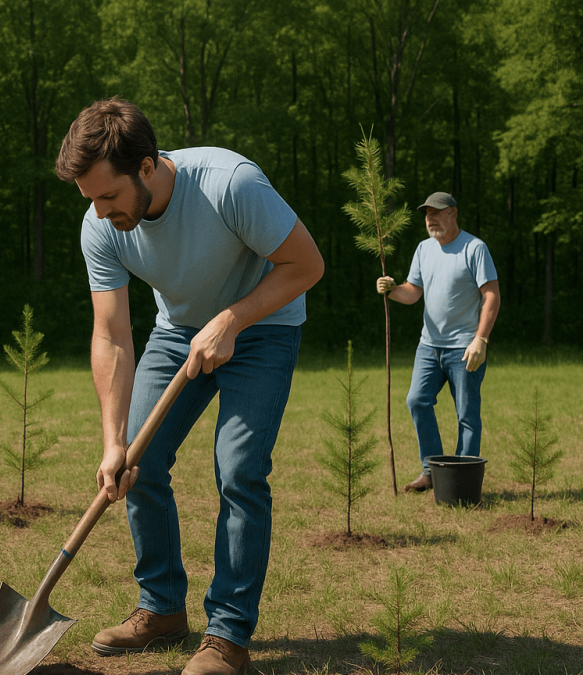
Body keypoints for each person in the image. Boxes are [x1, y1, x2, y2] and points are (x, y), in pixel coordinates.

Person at [56, 98, 324, 675]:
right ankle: (161, 608)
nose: (101, 213)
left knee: (239, 468)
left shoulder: (231, 184)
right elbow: (112, 337)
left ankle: (227, 635)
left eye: (109, 196)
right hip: (179, 333)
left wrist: (231, 321)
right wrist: (112, 440)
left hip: (263, 326)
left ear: (147, 168)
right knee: (139, 460)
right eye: (91, 200)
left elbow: (306, 265)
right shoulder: (100, 227)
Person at [376, 191, 500, 493]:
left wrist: (480, 340)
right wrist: (391, 289)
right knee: (416, 401)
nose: (430, 219)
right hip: (429, 347)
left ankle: (465, 481)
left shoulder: (474, 248)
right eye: (427, 214)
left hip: (465, 348)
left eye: (436, 213)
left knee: (467, 414)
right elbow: (412, 292)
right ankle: (431, 472)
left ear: (452, 214)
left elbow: (492, 295)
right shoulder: (424, 249)